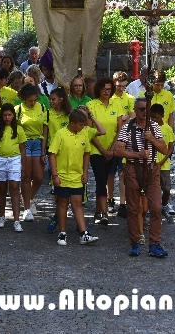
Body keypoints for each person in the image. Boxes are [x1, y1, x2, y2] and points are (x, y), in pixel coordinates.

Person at [113, 98, 168, 258]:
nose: (145, 112)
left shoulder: (154, 127)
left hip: (152, 170)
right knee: (133, 208)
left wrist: (151, 139)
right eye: (142, 109)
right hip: (132, 169)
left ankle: (155, 244)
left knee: (156, 207)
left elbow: (164, 149)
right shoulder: (127, 128)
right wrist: (137, 154)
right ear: (136, 111)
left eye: (147, 109)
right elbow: (118, 150)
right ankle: (135, 242)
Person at [48, 108, 99, 246]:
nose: (83, 127)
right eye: (81, 124)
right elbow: (52, 154)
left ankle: (84, 234)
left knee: (77, 203)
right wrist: (55, 175)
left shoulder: (83, 134)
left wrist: (85, 172)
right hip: (62, 176)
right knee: (62, 203)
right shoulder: (60, 135)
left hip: (77, 177)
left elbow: (87, 152)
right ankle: (62, 233)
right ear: (72, 123)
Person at [85, 78, 122, 225]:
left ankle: (98, 210)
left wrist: (112, 149)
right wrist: (102, 150)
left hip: (111, 149)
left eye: (108, 89)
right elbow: (90, 131)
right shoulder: (90, 105)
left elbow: (119, 129)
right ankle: (104, 212)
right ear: (98, 90)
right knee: (101, 178)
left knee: (105, 178)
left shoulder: (116, 104)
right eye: (104, 89)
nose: (106, 91)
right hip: (96, 149)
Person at [0, 103, 28, 232]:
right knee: (1, 188)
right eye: (5, 115)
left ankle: (16, 220)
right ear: (1, 116)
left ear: (13, 115)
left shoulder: (19, 129)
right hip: (0, 160)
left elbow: (23, 150)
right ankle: (1, 216)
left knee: (15, 187)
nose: (7, 118)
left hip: (15, 159)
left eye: (9, 115)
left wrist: (24, 167)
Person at [15, 85, 47, 223]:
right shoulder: (18, 110)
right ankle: (27, 208)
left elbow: (45, 129)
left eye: (35, 100)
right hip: (25, 143)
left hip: (38, 143)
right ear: (24, 99)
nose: (33, 103)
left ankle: (30, 198)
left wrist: (44, 148)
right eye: (30, 101)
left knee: (39, 176)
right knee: (26, 176)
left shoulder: (42, 108)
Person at [44, 86, 71, 233]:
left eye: (53, 99)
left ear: (61, 100)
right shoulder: (48, 114)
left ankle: (59, 216)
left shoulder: (69, 115)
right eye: (50, 99)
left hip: (68, 155)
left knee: (69, 189)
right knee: (56, 189)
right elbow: (46, 134)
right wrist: (44, 152)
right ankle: (58, 215)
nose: (51, 102)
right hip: (53, 154)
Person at [108, 72, 134, 217]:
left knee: (122, 173)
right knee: (110, 174)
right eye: (119, 86)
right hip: (111, 139)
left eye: (124, 86)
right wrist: (123, 118)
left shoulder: (129, 98)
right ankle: (110, 199)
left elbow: (132, 118)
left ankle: (122, 203)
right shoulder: (109, 98)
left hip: (124, 141)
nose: (121, 89)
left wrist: (123, 119)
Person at [150, 103, 175, 219]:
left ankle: (165, 204)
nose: (154, 120)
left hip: (164, 165)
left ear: (162, 116)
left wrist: (163, 161)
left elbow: (170, 147)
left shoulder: (167, 129)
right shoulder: (149, 129)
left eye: (157, 117)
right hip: (152, 164)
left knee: (166, 188)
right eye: (152, 118)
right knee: (151, 187)